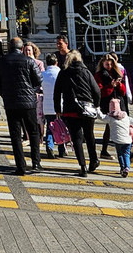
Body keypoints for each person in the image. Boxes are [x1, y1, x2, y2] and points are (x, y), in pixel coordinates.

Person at [0, 36, 43, 175]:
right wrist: (31, 91)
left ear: (9, 48)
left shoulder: (2, 61)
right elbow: (38, 79)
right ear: (22, 48)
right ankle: (36, 162)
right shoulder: (29, 61)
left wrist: (4, 93)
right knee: (33, 132)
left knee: (15, 135)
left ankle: (20, 166)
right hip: (28, 103)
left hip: (11, 102)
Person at [53, 49, 101, 177]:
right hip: (87, 109)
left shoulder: (63, 73)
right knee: (89, 135)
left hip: (70, 110)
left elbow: (57, 92)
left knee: (77, 138)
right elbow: (96, 90)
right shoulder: (86, 72)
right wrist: (96, 105)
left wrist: (58, 109)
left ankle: (83, 167)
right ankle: (94, 160)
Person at [94, 53, 131, 159]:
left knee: (118, 126)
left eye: (111, 64)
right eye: (107, 64)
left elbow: (123, 92)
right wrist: (111, 86)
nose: (109, 66)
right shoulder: (99, 75)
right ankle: (107, 151)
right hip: (107, 103)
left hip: (119, 102)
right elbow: (100, 92)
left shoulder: (117, 73)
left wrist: (119, 85)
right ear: (102, 64)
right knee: (110, 126)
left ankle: (121, 150)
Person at [103, 97, 133, 177]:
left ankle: (122, 168)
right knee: (127, 154)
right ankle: (127, 168)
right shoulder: (125, 115)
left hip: (118, 140)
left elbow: (101, 117)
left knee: (120, 154)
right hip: (128, 140)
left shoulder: (110, 117)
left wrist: (97, 109)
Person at [41, 53, 66, 159]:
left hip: (47, 105)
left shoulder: (43, 74)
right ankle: (61, 148)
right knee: (61, 127)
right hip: (60, 104)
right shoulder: (61, 73)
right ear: (56, 62)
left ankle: (49, 145)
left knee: (50, 127)